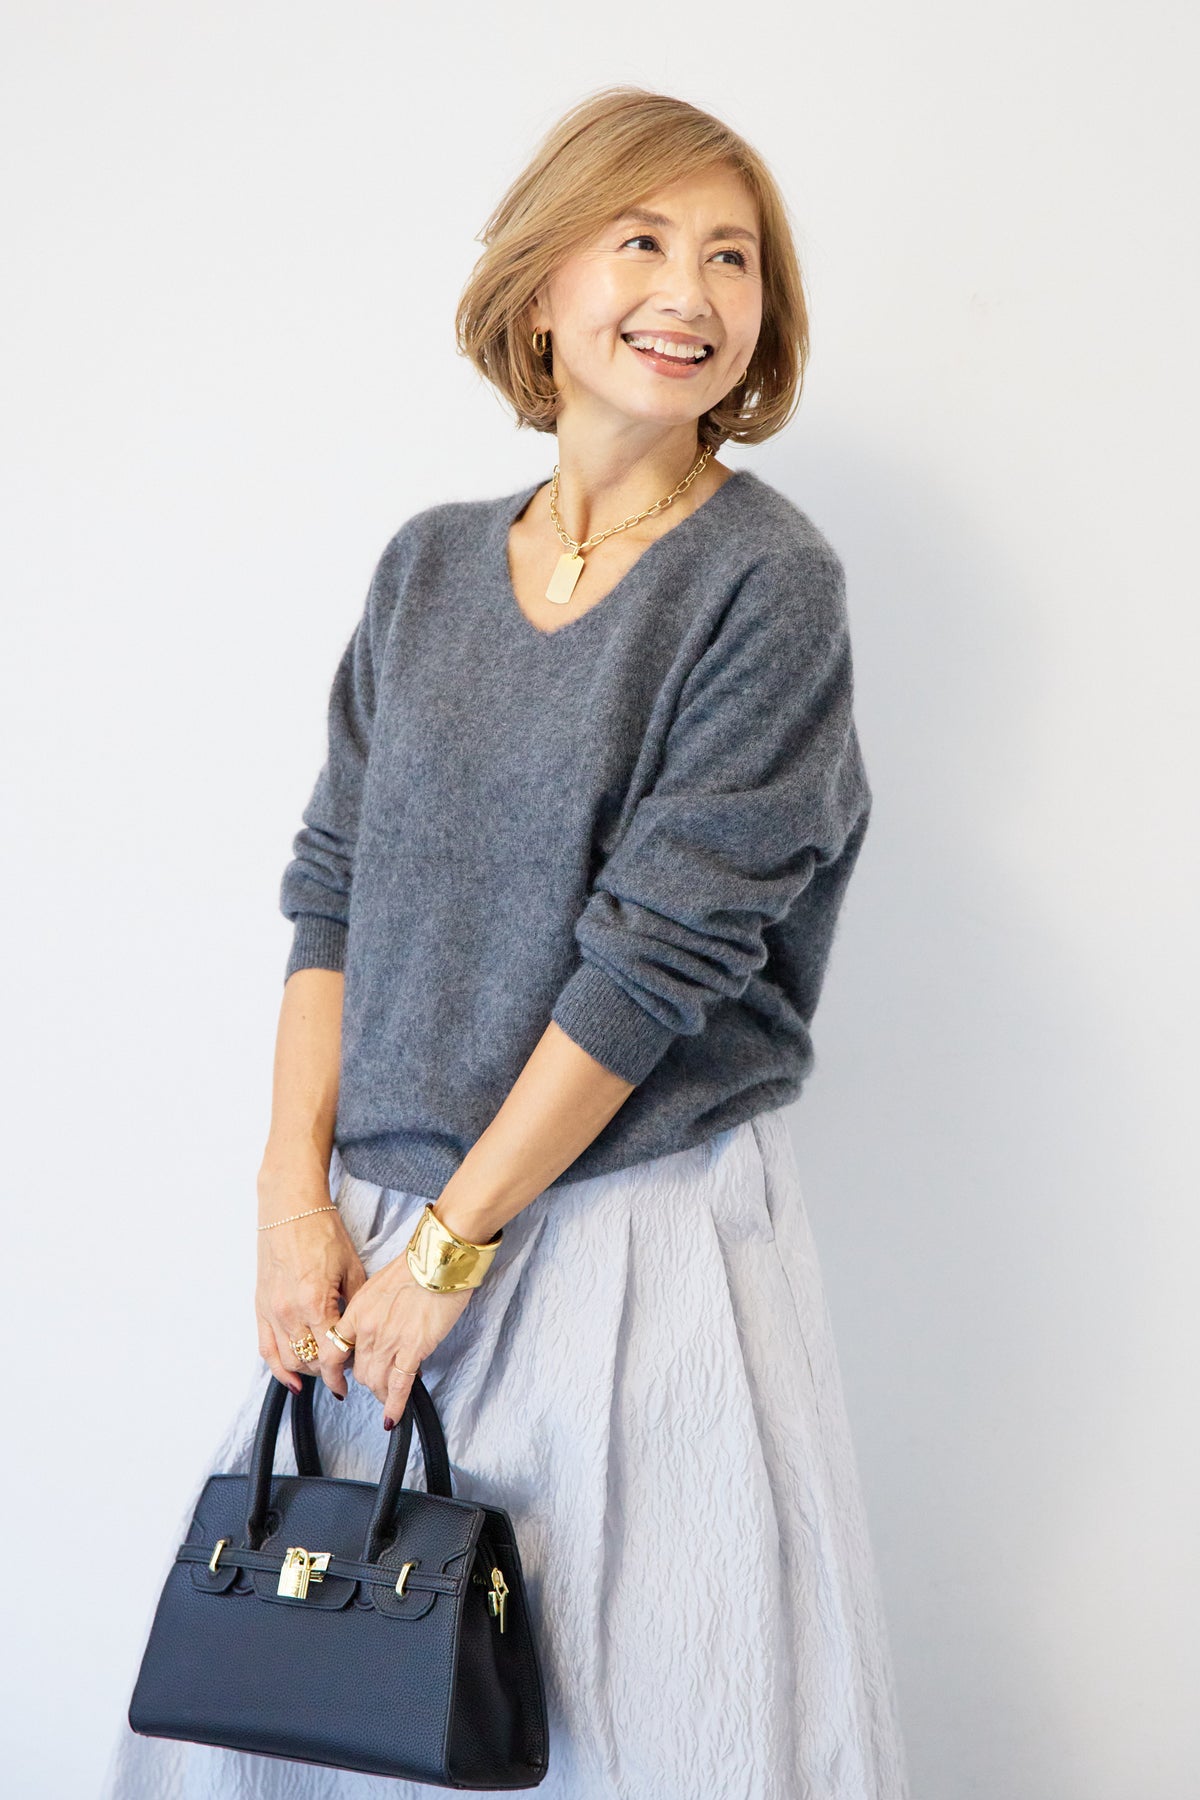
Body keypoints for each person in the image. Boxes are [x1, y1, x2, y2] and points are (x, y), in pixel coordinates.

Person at [102, 84, 910, 1800]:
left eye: (734, 258)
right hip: (375, 1240)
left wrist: (453, 1253)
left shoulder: (766, 584)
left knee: (644, 1718)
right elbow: (332, 889)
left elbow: (656, 960)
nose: (690, 292)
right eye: (643, 241)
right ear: (543, 286)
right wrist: (292, 1201)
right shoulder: (428, 571)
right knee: (340, 1710)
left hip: (631, 1234)